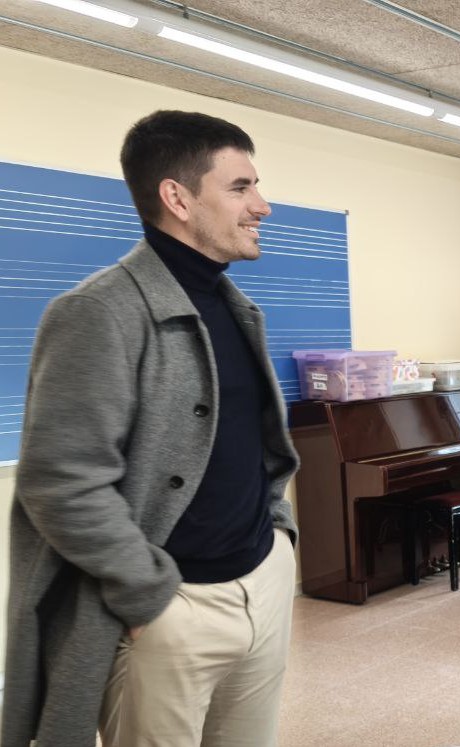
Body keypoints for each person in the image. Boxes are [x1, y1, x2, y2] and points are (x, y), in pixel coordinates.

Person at [2, 110, 300, 747]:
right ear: (178, 198)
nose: (263, 206)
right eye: (241, 187)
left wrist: (280, 544)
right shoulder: (97, 312)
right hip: (174, 609)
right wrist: (151, 598)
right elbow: (61, 483)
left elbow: (253, 450)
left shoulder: (234, 307)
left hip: (260, 584)